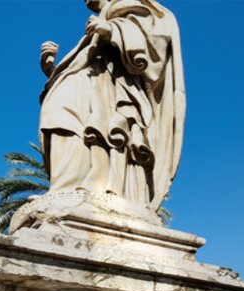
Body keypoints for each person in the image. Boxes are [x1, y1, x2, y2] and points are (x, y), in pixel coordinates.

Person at [38, 0, 185, 212]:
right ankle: (64, 186)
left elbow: (156, 44)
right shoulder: (101, 20)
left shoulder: (130, 5)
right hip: (89, 80)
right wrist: (51, 70)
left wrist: (112, 30)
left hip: (115, 87)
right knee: (57, 113)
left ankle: (93, 186)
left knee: (98, 128)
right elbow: (81, 62)